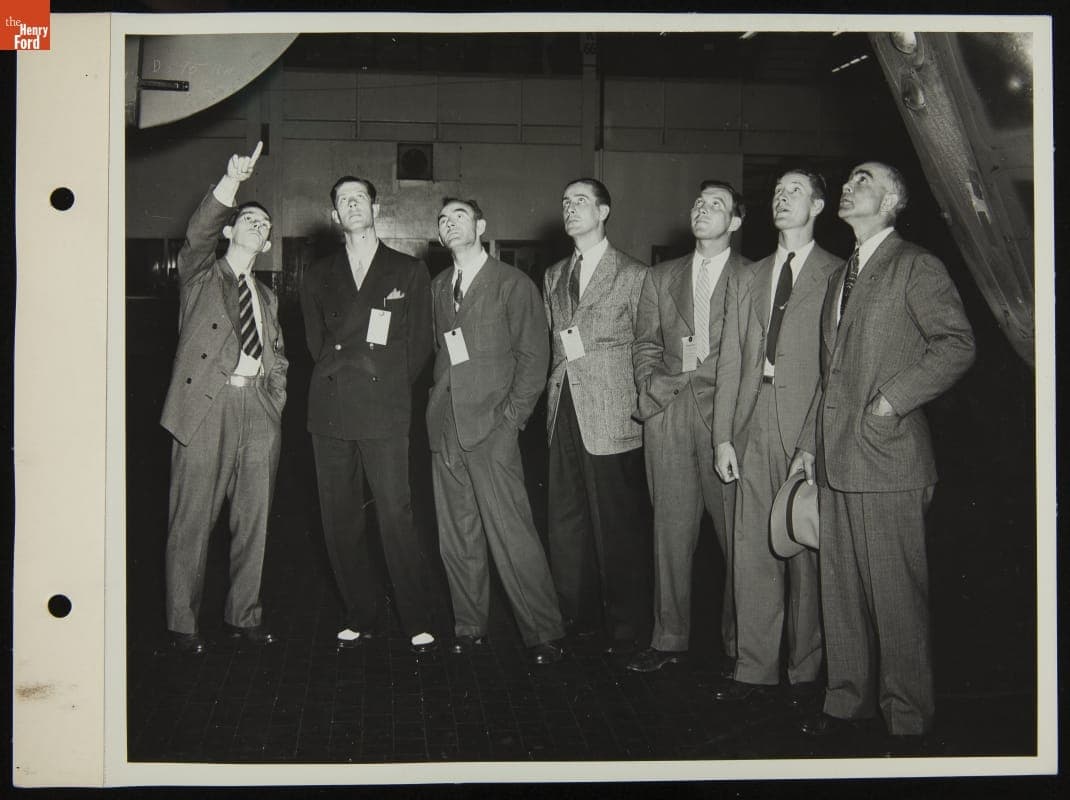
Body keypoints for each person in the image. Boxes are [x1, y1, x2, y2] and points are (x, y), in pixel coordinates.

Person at [790, 162, 975, 744]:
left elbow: (957, 344)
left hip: (889, 457)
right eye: (846, 180)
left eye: (862, 180)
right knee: (840, 589)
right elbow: (830, 374)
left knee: (895, 597)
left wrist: (892, 400)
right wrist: (805, 448)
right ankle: (847, 701)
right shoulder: (842, 275)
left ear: (892, 200)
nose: (848, 186)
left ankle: (907, 718)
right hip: (837, 457)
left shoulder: (915, 266)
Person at [712, 168, 841, 703]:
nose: (782, 199)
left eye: (795, 192)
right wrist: (723, 435)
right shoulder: (749, 275)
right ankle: (754, 667)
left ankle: (805, 668)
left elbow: (834, 368)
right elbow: (731, 360)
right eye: (777, 192)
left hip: (806, 423)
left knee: (804, 546)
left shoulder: (838, 273)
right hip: (753, 419)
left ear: (818, 206)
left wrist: (812, 439)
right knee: (752, 546)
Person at [300, 176, 438, 654]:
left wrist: (382, 378)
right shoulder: (317, 273)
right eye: (343, 200)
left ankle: (415, 616)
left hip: (384, 407)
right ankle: (361, 614)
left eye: (359, 197)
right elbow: (316, 343)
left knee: (395, 515)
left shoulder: (408, 270)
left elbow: (419, 345)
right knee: (340, 518)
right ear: (335, 215)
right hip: (331, 409)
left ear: (375, 207)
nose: (352, 205)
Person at [427, 197, 566, 665]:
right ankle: (470, 626)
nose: (450, 224)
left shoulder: (512, 284)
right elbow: (443, 355)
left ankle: (542, 631)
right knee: (457, 536)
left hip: (493, 429)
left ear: (482, 226)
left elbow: (534, 360)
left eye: (460, 216)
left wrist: (510, 423)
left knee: (512, 532)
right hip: (447, 429)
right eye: (443, 220)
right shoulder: (439, 286)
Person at [160, 141, 287, 654]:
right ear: (231, 230)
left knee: (253, 521)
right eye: (249, 219)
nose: (259, 226)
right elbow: (197, 235)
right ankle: (182, 625)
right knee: (191, 520)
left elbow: (277, 354)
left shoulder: (268, 295)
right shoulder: (200, 276)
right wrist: (231, 184)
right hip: (205, 409)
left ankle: (244, 614)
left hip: (256, 408)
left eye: (266, 225)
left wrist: (273, 401)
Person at [627, 180, 750, 673]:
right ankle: (668, 637)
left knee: (737, 538)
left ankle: (741, 645)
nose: (703, 210)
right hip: (671, 413)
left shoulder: (753, 276)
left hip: (729, 417)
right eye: (699, 202)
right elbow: (645, 344)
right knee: (670, 534)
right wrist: (652, 387)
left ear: (735, 222)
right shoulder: (661, 277)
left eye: (716, 205)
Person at [543, 178, 652, 655]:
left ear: (604, 211)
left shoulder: (633, 274)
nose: (570, 209)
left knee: (617, 526)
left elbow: (648, 344)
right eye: (565, 202)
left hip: (611, 413)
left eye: (581, 201)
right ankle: (576, 615)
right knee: (566, 520)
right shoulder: (552, 275)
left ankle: (626, 626)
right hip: (563, 406)